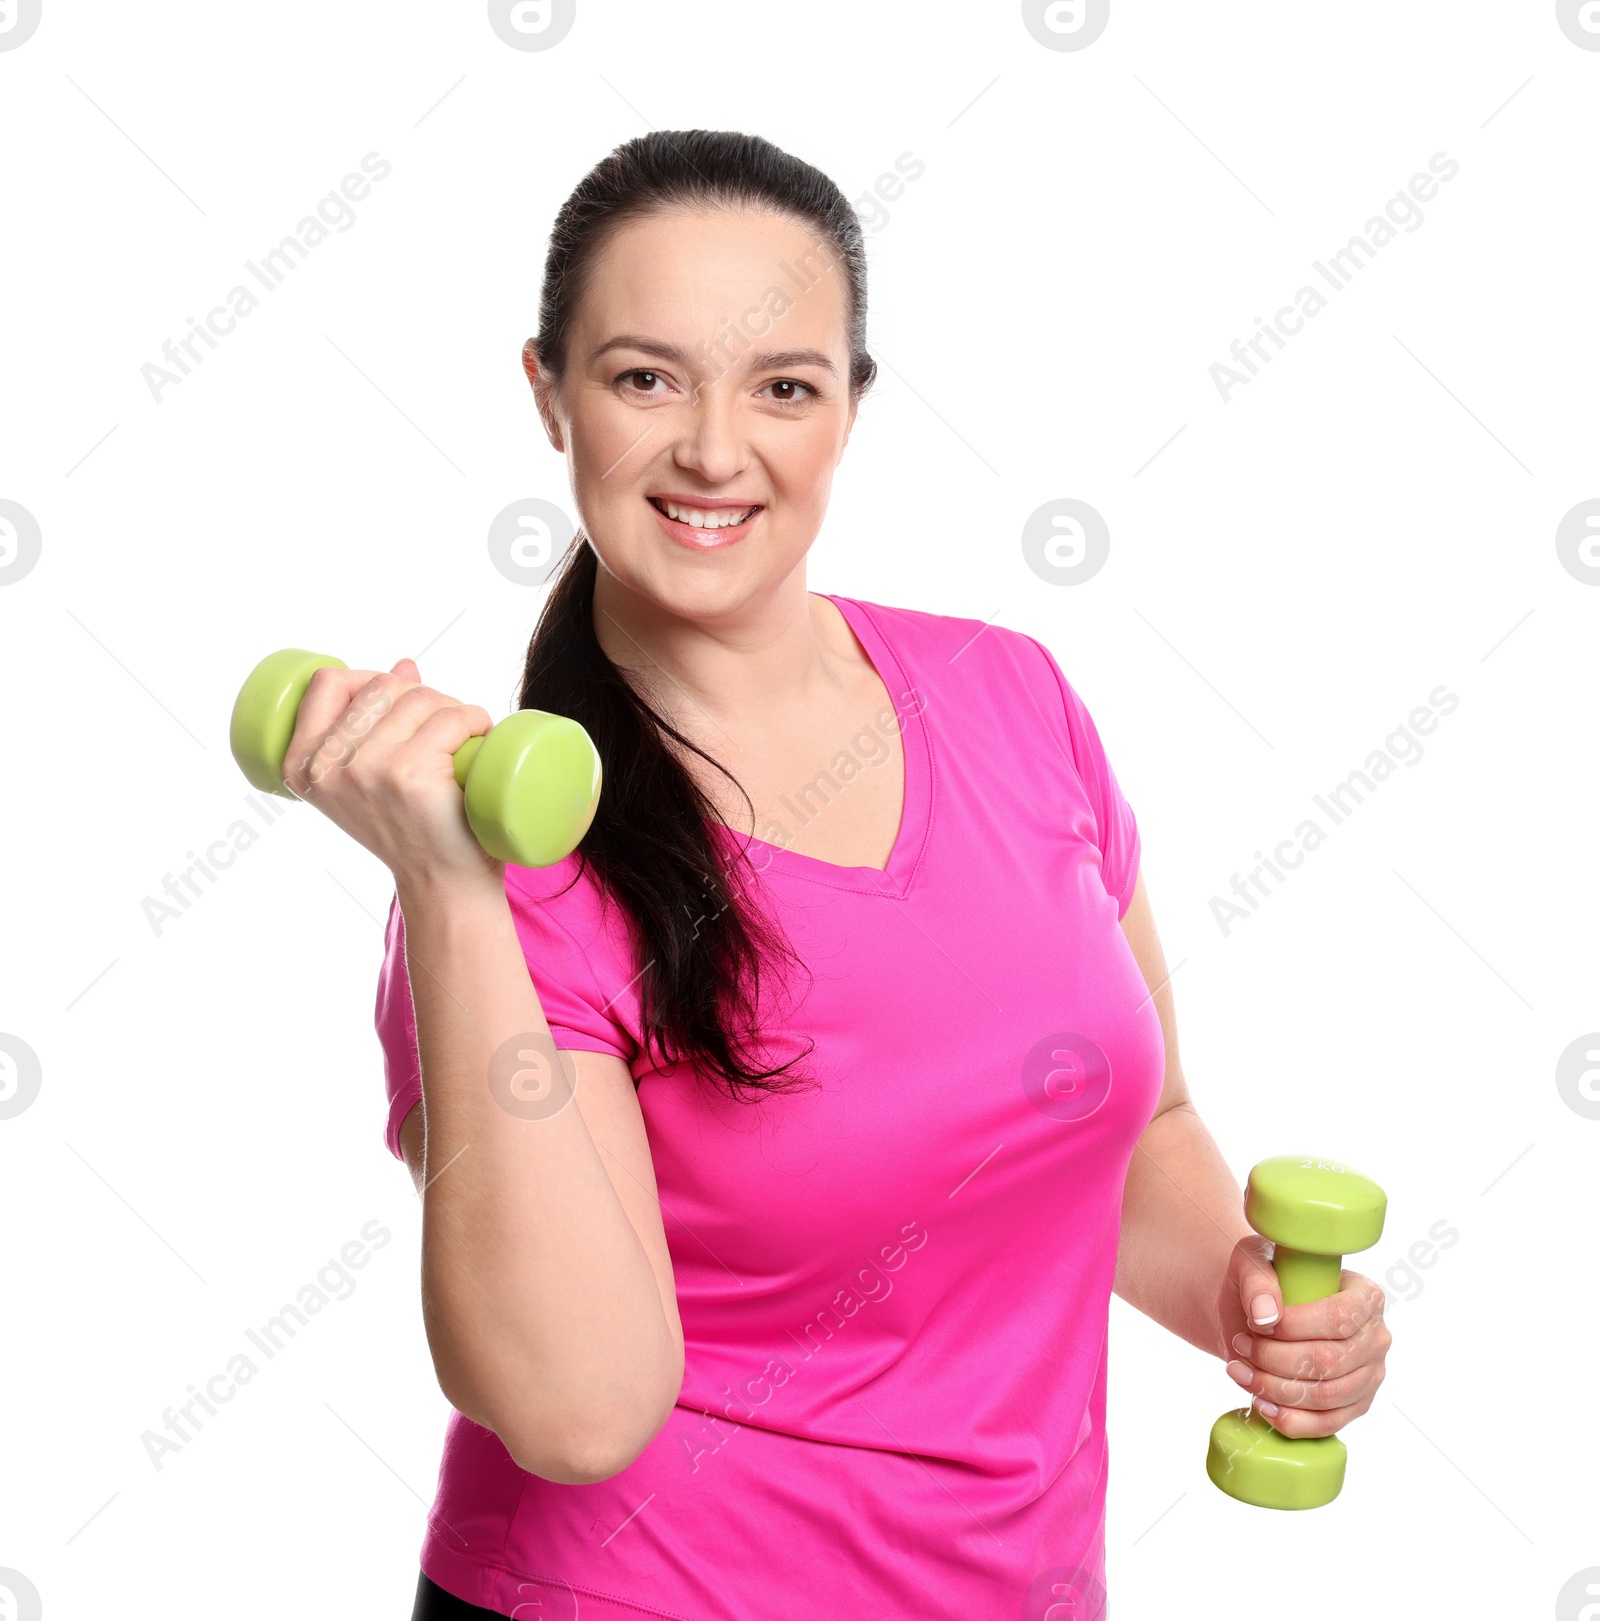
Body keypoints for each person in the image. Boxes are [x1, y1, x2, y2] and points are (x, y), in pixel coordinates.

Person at [282, 129, 1392, 1621]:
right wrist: (448, 889)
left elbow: (1136, 1132)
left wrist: (1252, 1305)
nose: (715, 449)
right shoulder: (518, 877)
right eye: (644, 377)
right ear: (548, 395)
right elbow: (573, 1411)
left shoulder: (1014, 699)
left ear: (851, 411)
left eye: (783, 385)